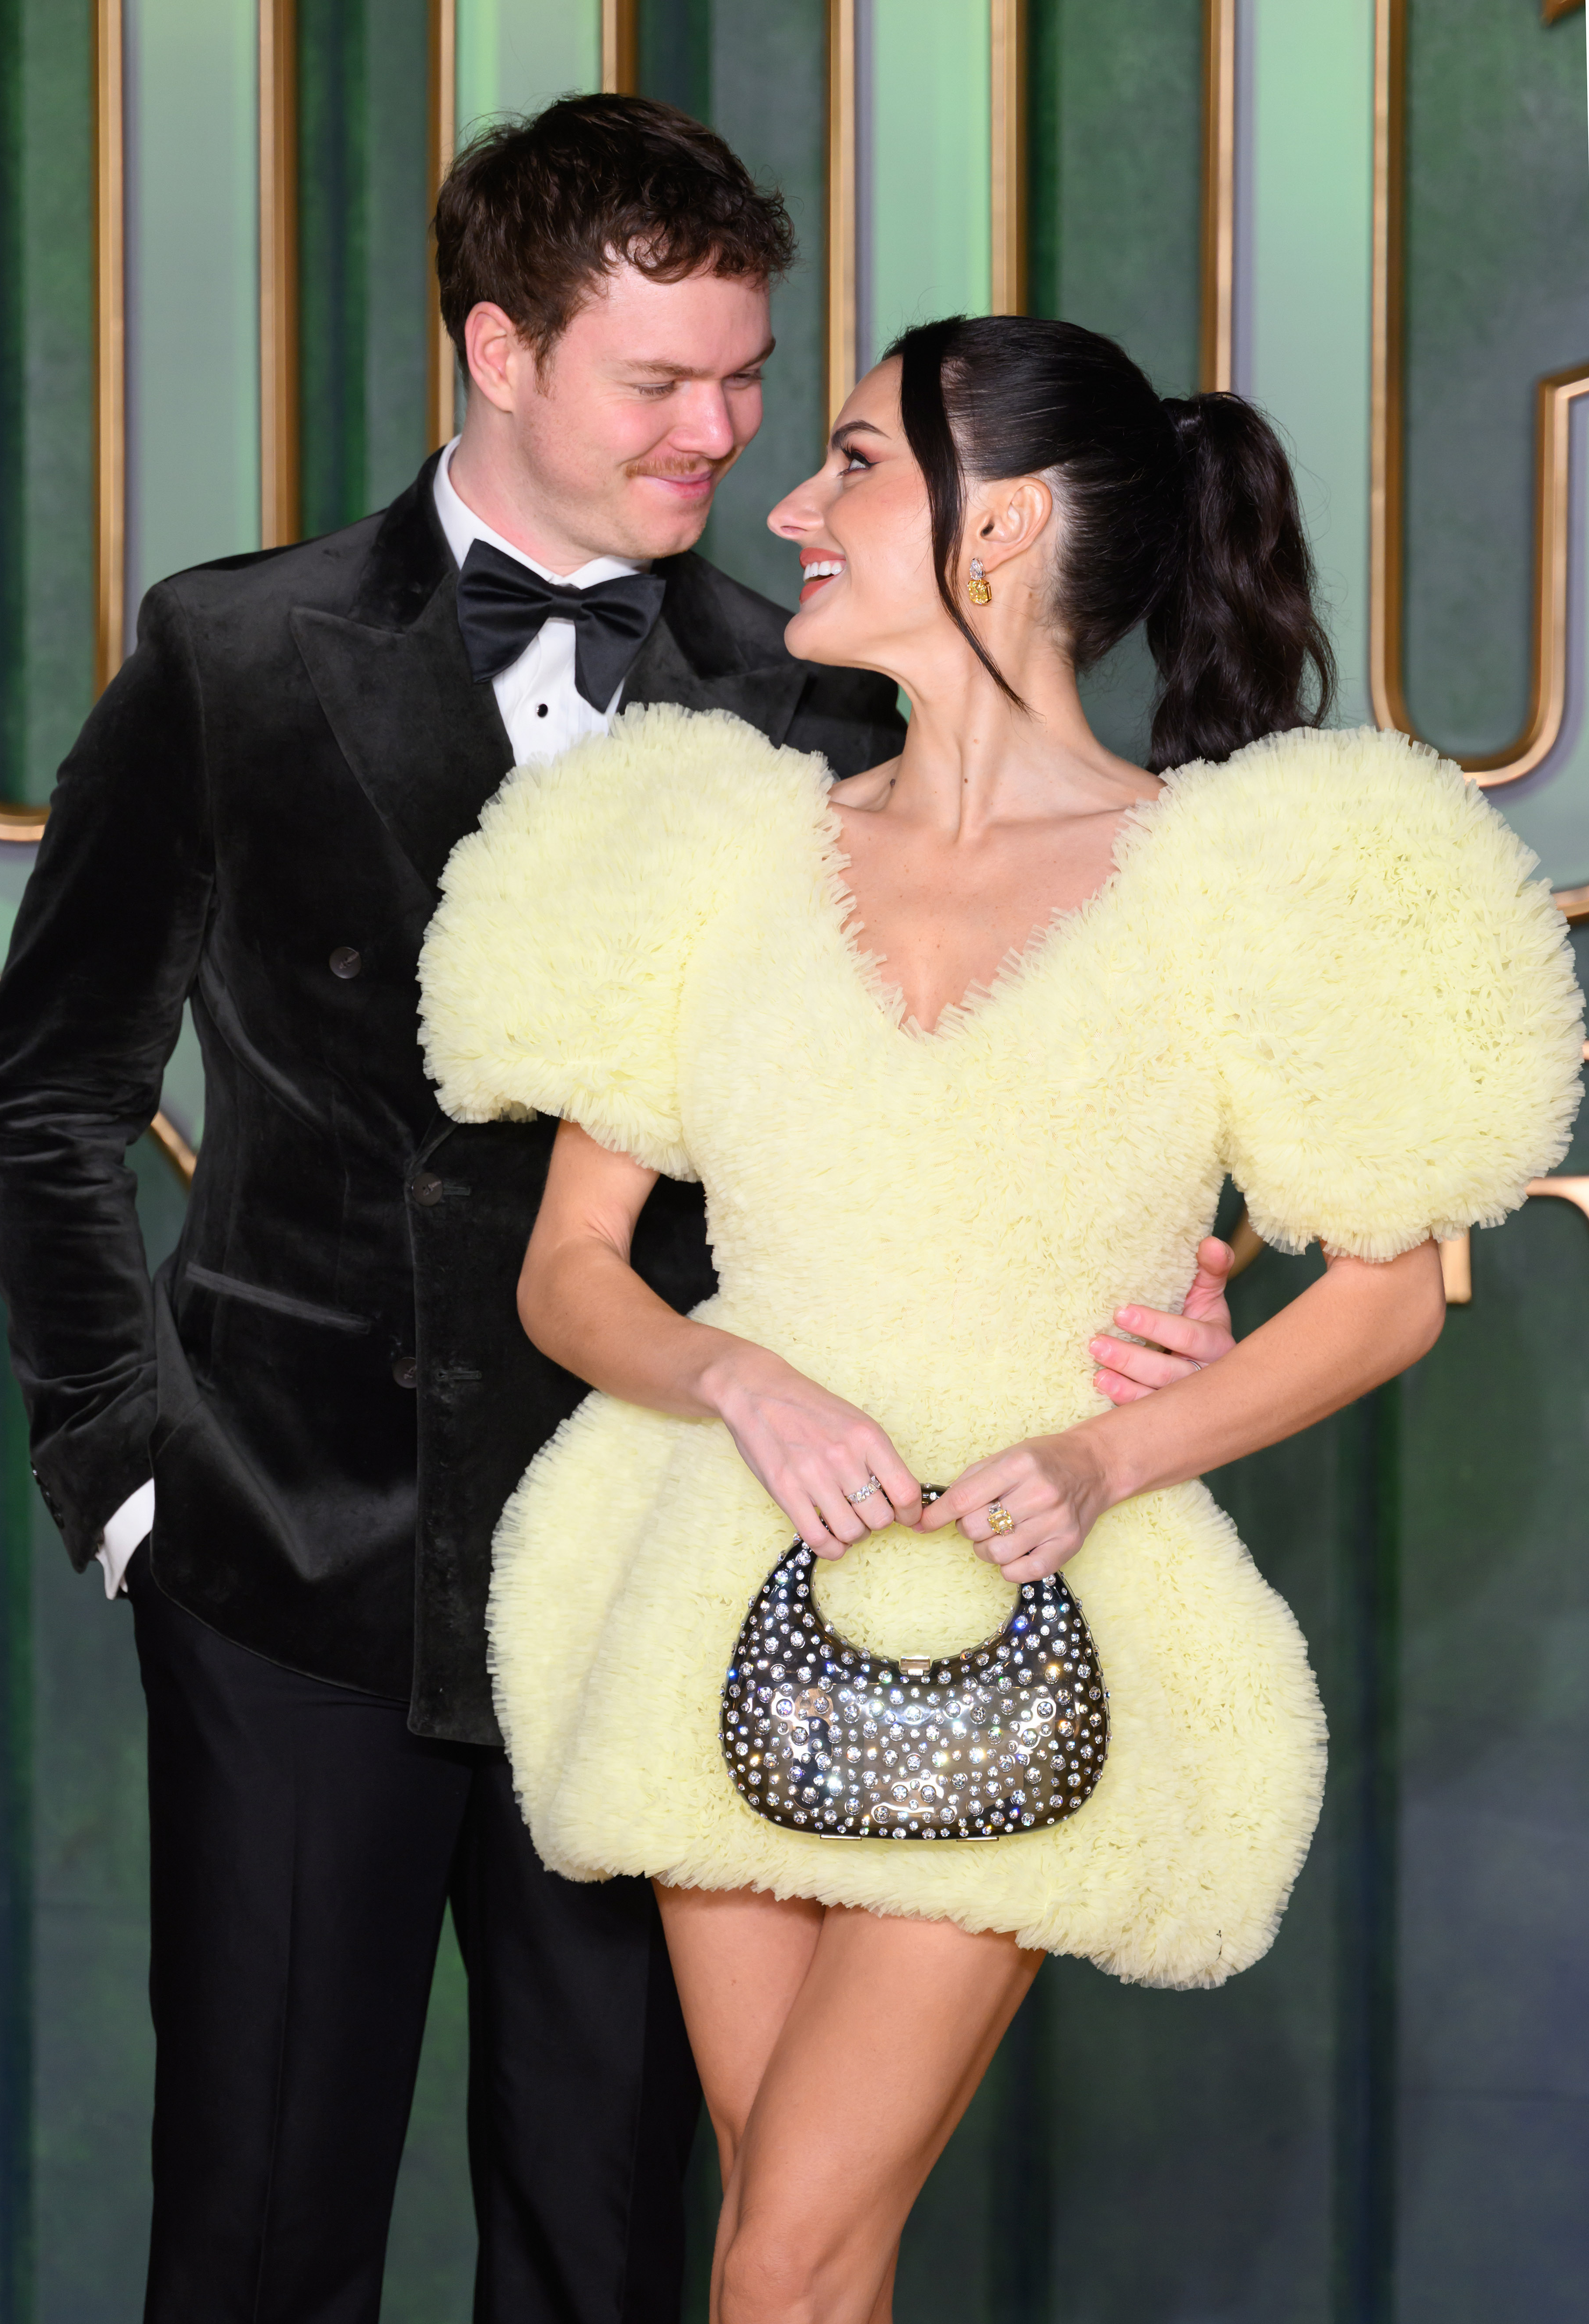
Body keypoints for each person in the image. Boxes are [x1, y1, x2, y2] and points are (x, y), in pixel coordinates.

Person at [0, 101, 1222, 2320]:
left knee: (617, 2241)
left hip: (670, 1566)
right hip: (286, 1563)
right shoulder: (234, 651)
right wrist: (133, 1477)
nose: (721, 436)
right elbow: (49, 1096)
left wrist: (1157, 1286)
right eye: (662, 383)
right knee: (255, 2237)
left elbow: (973, 1068)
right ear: (496, 352)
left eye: (750, 382)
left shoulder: (826, 679)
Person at [418, 314, 1584, 2324]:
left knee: (778, 2262)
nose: (787, 496)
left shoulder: (1232, 879)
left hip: (1034, 1604)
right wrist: (733, 1371)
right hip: (717, 1575)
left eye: (854, 459)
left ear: (1002, 526)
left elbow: (1389, 1295)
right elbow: (568, 1275)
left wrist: (1106, 1452)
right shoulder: (711, 852)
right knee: (802, 2255)